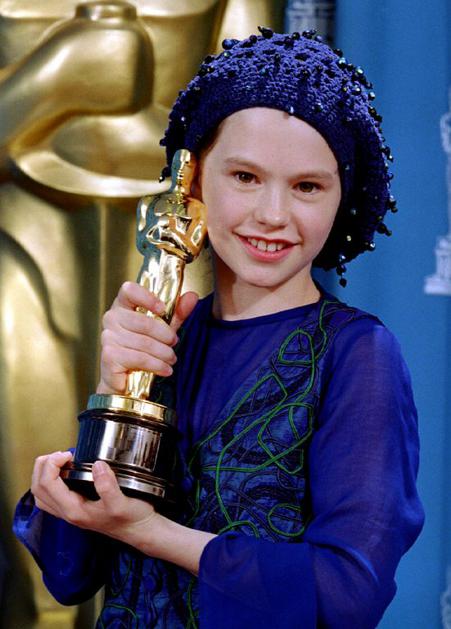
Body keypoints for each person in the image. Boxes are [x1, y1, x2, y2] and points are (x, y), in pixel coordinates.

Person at [14, 28, 424, 628]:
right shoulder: (166, 337)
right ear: (195, 176)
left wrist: (152, 533)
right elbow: (70, 573)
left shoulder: (357, 354)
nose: (273, 215)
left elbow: (345, 594)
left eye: (307, 186)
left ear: (342, 198)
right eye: (245, 177)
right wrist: (113, 395)